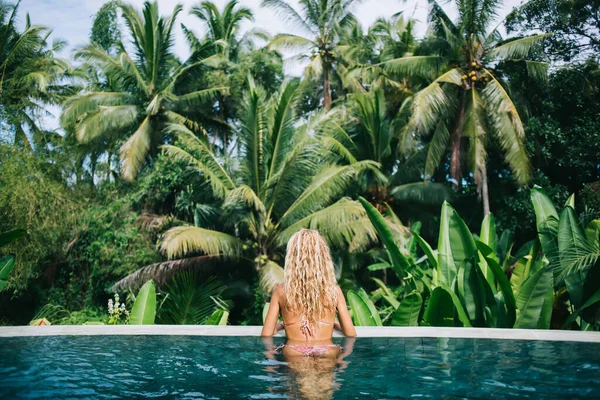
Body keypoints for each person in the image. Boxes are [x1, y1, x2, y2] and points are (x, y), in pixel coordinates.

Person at [261, 229, 356, 399]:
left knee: (299, 392)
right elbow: (351, 333)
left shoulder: (281, 291)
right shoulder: (334, 291)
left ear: (292, 258)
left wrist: (282, 325)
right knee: (323, 394)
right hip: (326, 350)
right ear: (323, 257)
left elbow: (266, 334)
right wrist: (333, 325)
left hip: (294, 351)